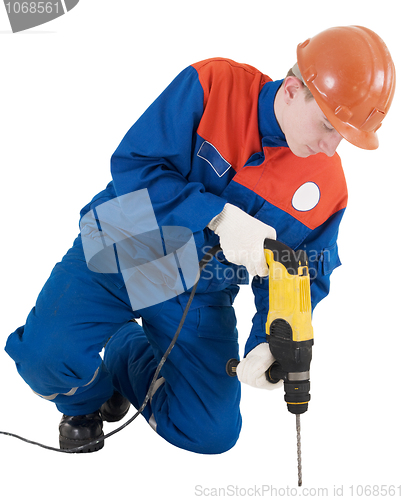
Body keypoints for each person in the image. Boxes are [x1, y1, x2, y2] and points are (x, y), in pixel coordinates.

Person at [5, 26, 395, 454]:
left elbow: (301, 275)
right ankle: (91, 398)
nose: (329, 145)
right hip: (125, 241)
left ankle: (122, 350)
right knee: (46, 357)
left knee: (211, 432)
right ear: (290, 90)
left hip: (202, 285)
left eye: (345, 136)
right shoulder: (214, 85)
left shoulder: (327, 189)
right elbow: (136, 165)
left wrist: (267, 339)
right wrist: (219, 216)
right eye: (326, 123)